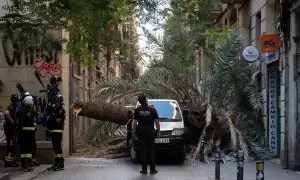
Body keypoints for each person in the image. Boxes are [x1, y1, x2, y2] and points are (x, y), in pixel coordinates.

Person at [132, 93, 160, 175]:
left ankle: (144, 170)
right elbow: (157, 122)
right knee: (151, 151)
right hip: (150, 133)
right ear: (146, 100)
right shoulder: (152, 109)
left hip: (141, 133)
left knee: (143, 151)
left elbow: (135, 123)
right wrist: (158, 131)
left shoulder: (137, 110)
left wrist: (134, 132)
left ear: (139, 102)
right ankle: (152, 169)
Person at [16, 96, 37, 172]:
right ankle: (29, 165)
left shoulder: (20, 112)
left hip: (22, 134)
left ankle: (24, 166)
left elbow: (17, 120)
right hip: (31, 135)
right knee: (29, 150)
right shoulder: (33, 112)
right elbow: (35, 121)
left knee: (23, 150)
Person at [47, 94, 66, 171]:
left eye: (57, 102)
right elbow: (51, 119)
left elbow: (57, 120)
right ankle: (57, 163)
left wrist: (52, 118)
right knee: (55, 148)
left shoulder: (61, 110)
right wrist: (52, 118)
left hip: (57, 132)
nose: (56, 103)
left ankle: (60, 164)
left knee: (57, 149)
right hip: (53, 131)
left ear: (60, 102)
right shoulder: (55, 109)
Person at [3, 94, 21, 167]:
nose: (18, 102)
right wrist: (12, 121)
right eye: (17, 100)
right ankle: (8, 162)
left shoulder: (15, 107)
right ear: (14, 100)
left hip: (12, 129)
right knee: (10, 145)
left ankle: (12, 160)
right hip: (10, 130)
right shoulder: (11, 107)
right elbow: (6, 113)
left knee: (13, 145)